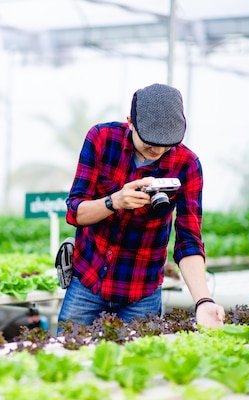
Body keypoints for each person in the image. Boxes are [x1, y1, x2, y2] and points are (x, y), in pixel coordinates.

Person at [57, 83, 225, 330]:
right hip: (88, 283)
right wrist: (115, 201)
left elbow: (188, 241)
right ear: (130, 122)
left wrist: (203, 301)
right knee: (67, 358)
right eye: (149, 141)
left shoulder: (187, 165)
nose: (157, 149)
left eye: (166, 142)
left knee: (137, 366)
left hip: (141, 292)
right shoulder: (102, 140)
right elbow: (75, 212)